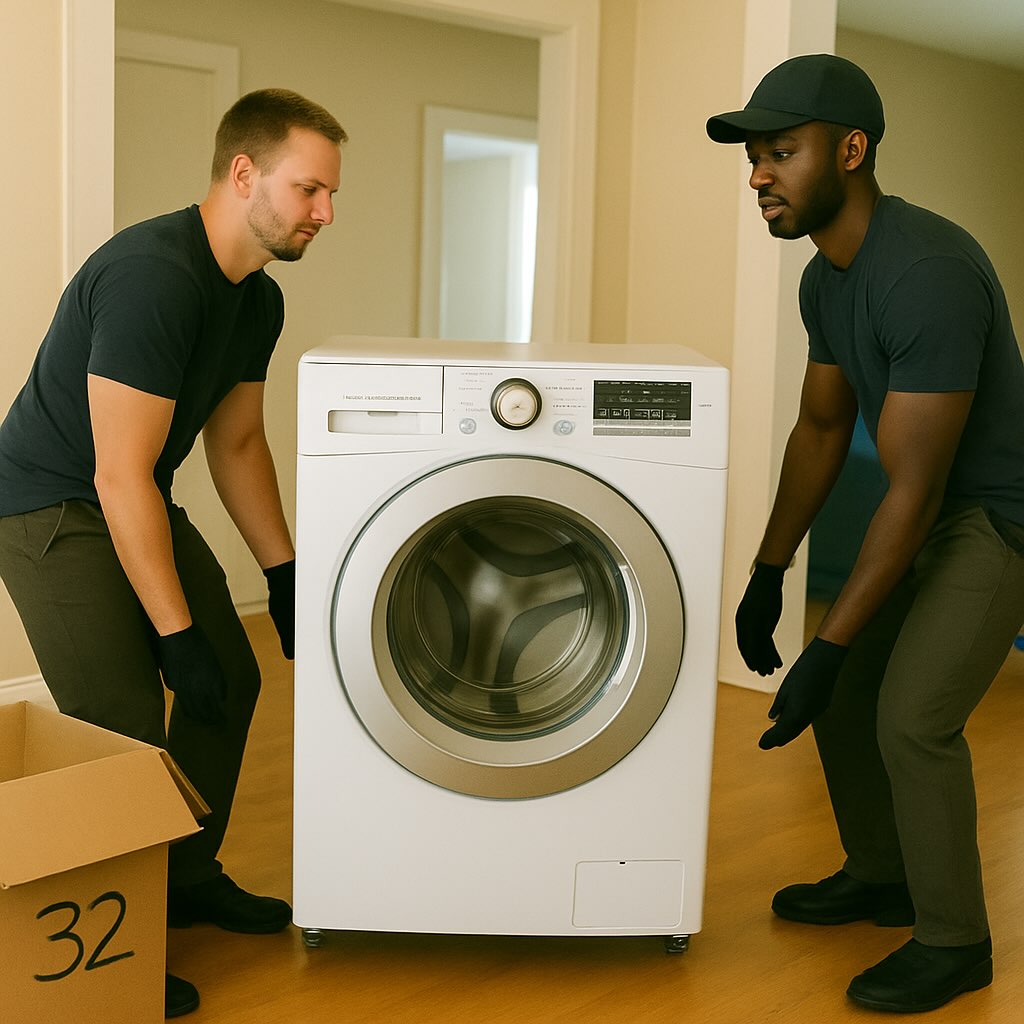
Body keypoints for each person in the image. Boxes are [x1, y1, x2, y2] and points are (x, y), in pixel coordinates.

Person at [0, 88, 346, 1018]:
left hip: (130, 488)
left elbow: (235, 445)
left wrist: (283, 572)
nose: (325, 213)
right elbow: (116, 478)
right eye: (309, 189)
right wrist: (176, 633)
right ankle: (109, 938)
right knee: (118, 721)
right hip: (46, 506)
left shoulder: (256, 302)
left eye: (330, 195)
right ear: (244, 174)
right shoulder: (157, 274)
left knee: (228, 681)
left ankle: (187, 876)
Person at [706, 54, 1024, 1013]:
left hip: (998, 520)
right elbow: (820, 428)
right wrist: (768, 572)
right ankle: (884, 876)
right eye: (756, 155)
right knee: (845, 700)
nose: (760, 173)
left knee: (910, 714)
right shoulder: (827, 279)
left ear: (853, 151)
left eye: (783, 152)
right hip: (929, 510)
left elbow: (918, 489)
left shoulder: (922, 272)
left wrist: (830, 643)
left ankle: (955, 941)